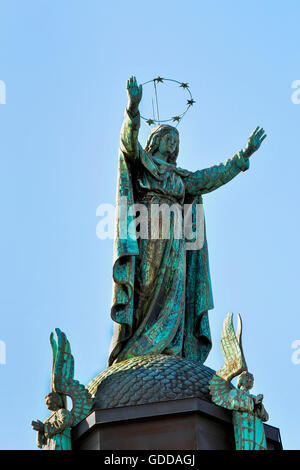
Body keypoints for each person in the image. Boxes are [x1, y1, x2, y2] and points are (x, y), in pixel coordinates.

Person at [108, 76, 266, 366]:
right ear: (156, 141)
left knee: (175, 287)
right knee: (147, 283)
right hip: (149, 229)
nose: (173, 142)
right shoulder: (142, 163)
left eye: (176, 140)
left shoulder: (182, 178)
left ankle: (171, 347)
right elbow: (128, 142)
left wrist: (242, 156)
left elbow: (210, 178)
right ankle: (140, 345)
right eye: (169, 137)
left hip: (176, 239)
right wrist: (133, 107)